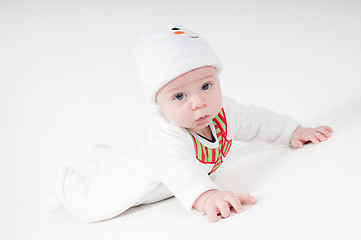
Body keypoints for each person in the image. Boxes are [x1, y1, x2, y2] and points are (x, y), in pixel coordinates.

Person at [50, 25, 333, 223]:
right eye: (180, 96)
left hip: (148, 158)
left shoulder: (224, 111)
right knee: (90, 206)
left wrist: (291, 131)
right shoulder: (167, 138)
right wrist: (207, 196)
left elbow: (254, 119)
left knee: (128, 156)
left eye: (207, 85)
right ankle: (66, 183)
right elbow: (180, 171)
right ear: (159, 102)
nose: (198, 103)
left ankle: (106, 155)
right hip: (147, 178)